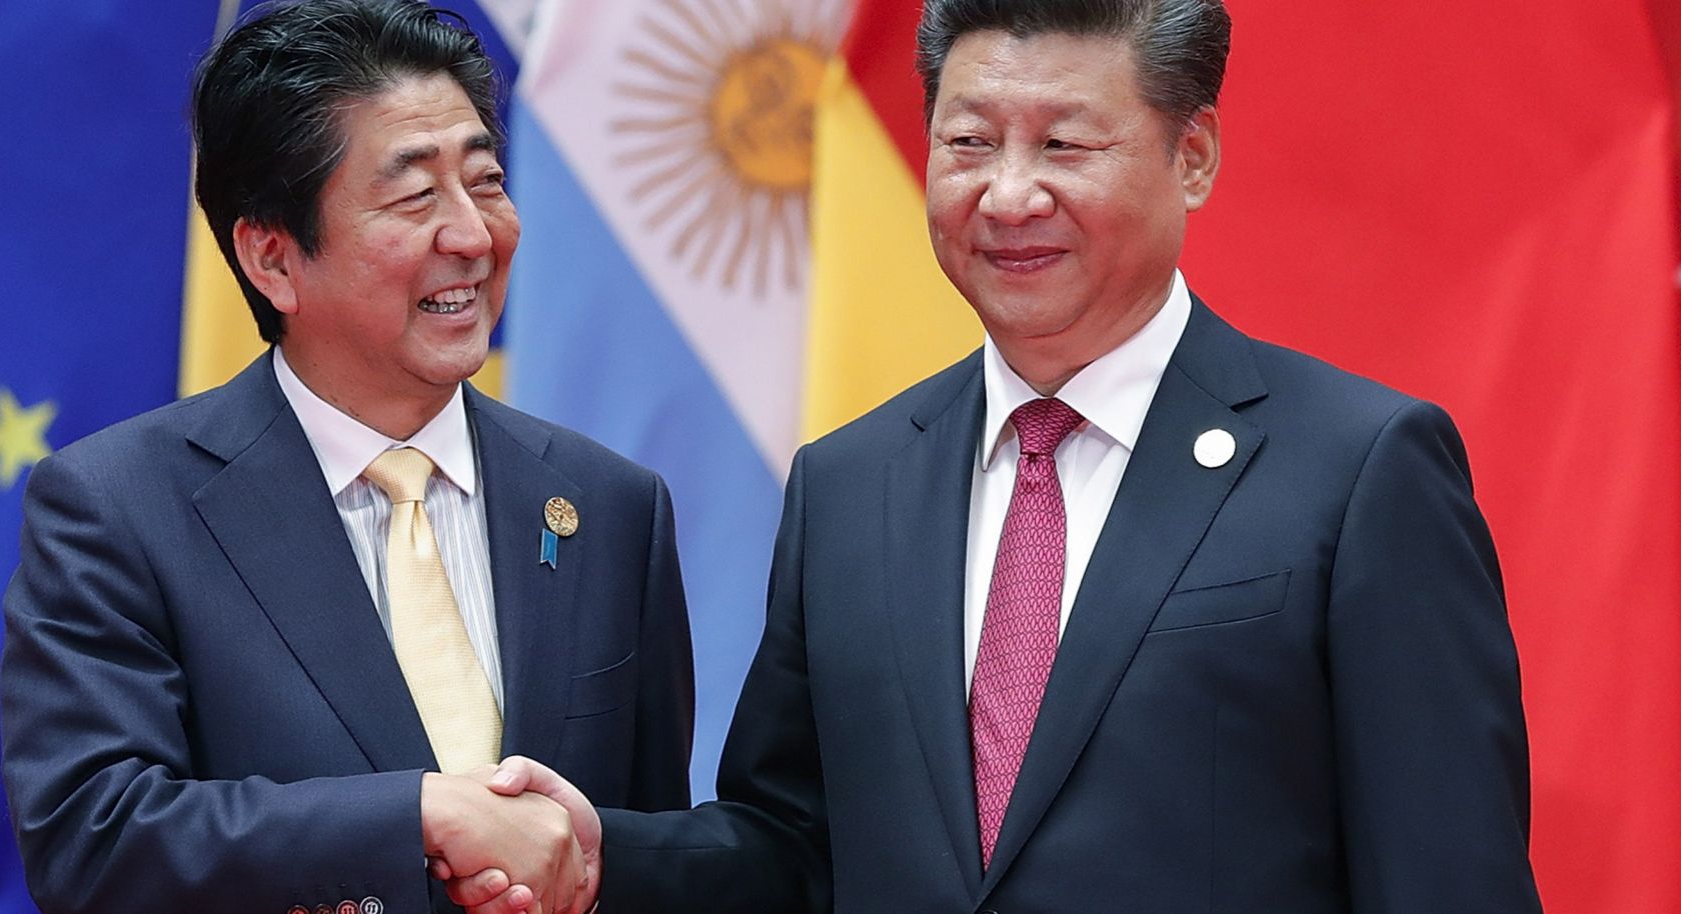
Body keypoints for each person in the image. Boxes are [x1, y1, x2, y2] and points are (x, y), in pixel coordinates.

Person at [458, 0, 1543, 910]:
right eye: (969, 143)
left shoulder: (1357, 469)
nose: (1010, 194)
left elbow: (1446, 875)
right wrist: (591, 850)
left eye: (1065, 145)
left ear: (1193, 156)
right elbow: (794, 849)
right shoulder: (850, 483)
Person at [0, 3, 693, 913]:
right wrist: (416, 817)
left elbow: (642, 845)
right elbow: (94, 837)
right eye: (414, 197)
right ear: (273, 257)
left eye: (484, 182)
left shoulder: (608, 506)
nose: (473, 237)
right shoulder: (118, 507)